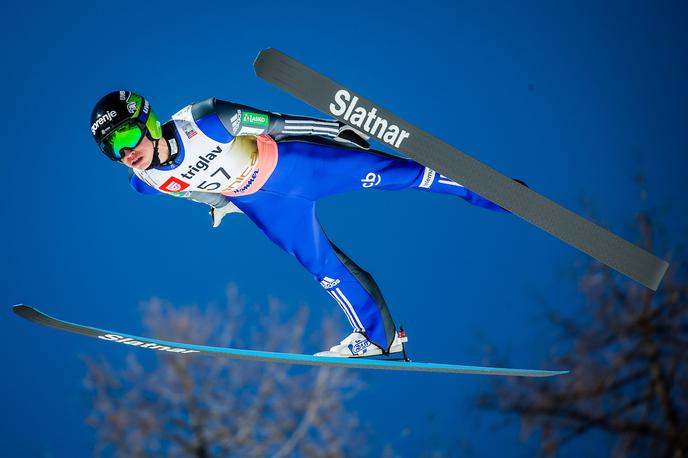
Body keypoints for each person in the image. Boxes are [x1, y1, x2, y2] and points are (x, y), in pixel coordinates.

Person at [90, 90, 510, 358]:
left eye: (127, 139)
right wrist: (221, 204)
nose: (125, 153)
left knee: (397, 174)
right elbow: (187, 189)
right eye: (114, 150)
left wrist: (333, 131)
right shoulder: (146, 183)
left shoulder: (209, 119)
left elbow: (276, 123)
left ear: (147, 122)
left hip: (296, 166)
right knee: (324, 269)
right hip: (264, 207)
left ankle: (495, 194)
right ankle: (379, 339)